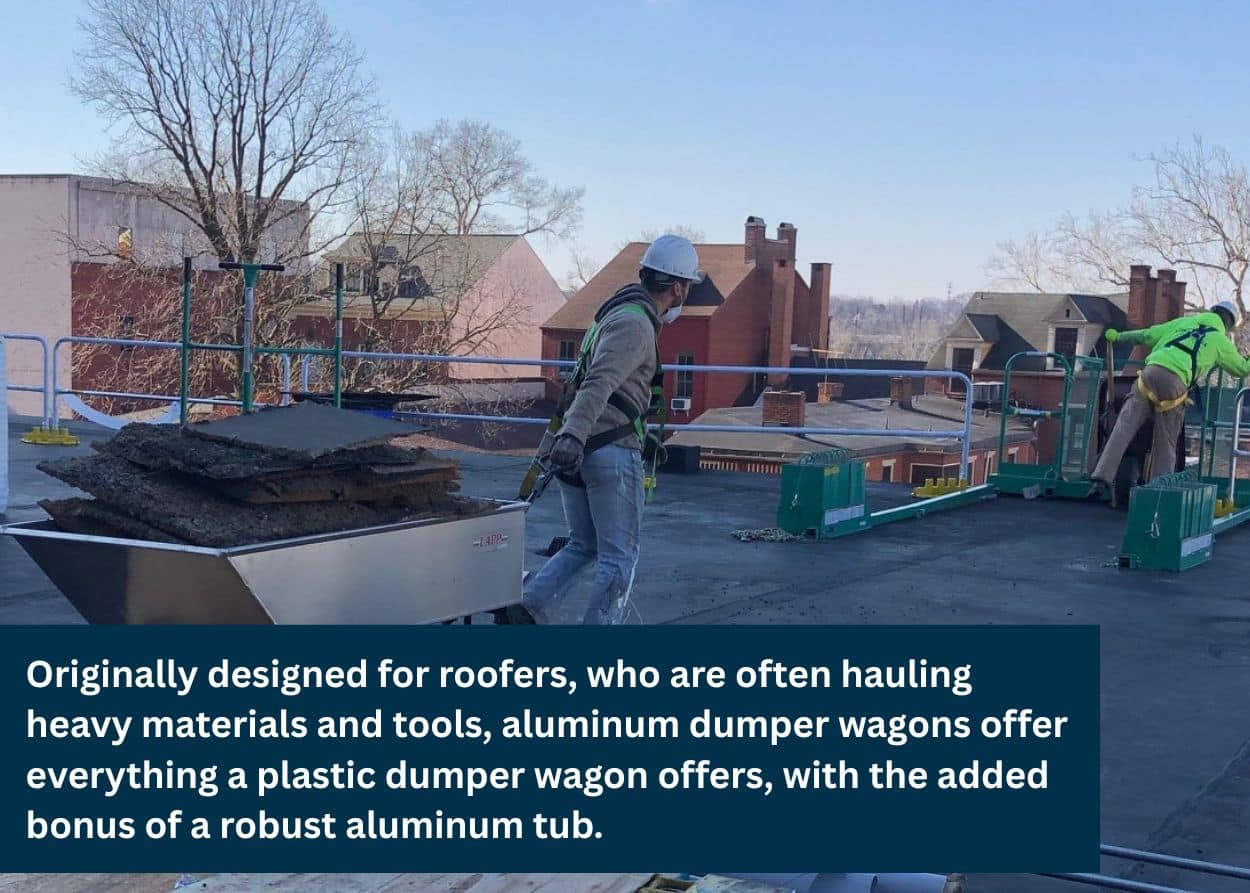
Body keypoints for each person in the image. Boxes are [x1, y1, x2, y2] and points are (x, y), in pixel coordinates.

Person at [520, 235, 702, 624]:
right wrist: (573, 435)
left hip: (581, 450)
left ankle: (529, 607)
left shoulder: (613, 315)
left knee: (583, 543)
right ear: (676, 287)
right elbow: (597, 383)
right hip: (605, 453)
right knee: (620, 557)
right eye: (687, 287)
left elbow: (598, 386)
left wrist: (567, 439)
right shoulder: (635, 325)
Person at [1089, 300, 1250, 498]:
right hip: (1175, 384)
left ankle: (1100, 479)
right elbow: (1242, 369)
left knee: (1123, 427)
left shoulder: (1182, 323)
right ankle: (1158, 493)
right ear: (1228, 324)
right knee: (1165, 442)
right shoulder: (1219, 341)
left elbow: (1146, 335)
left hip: (1150, 374)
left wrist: (1118, 336)